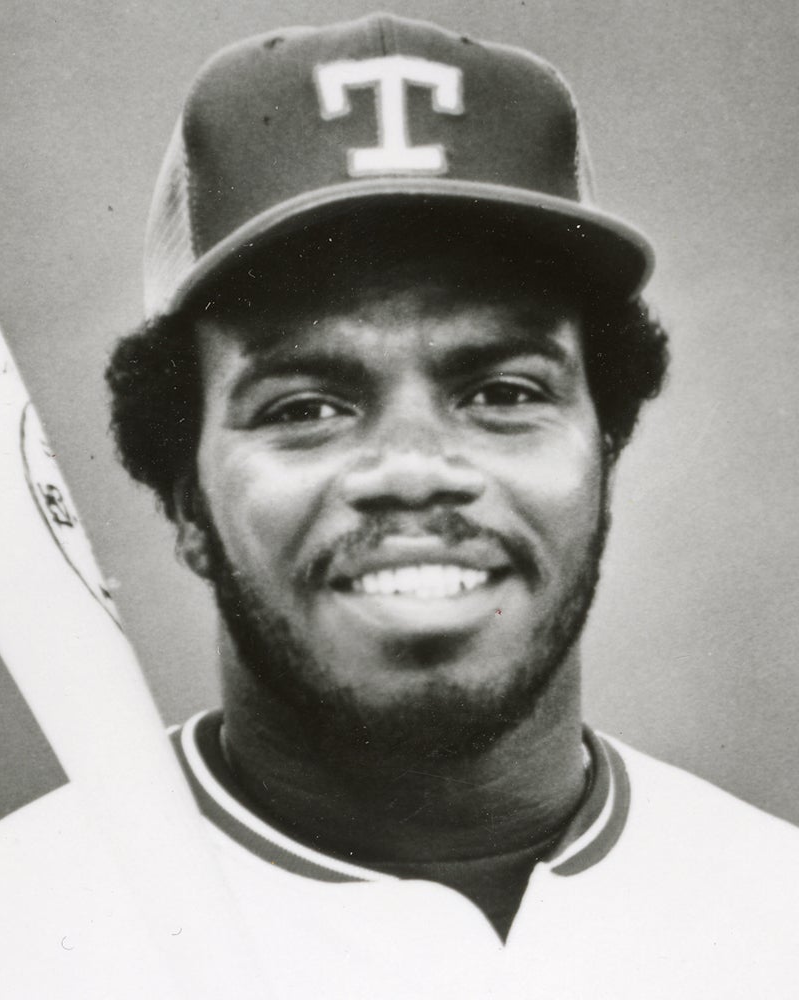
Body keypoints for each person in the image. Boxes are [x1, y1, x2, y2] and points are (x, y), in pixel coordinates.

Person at [104, 12, 798, 998]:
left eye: (503, 393)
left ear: (602, 443)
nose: (413, 467)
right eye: (305, 406)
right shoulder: (33, 924)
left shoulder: (778, 913)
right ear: (184, 494)